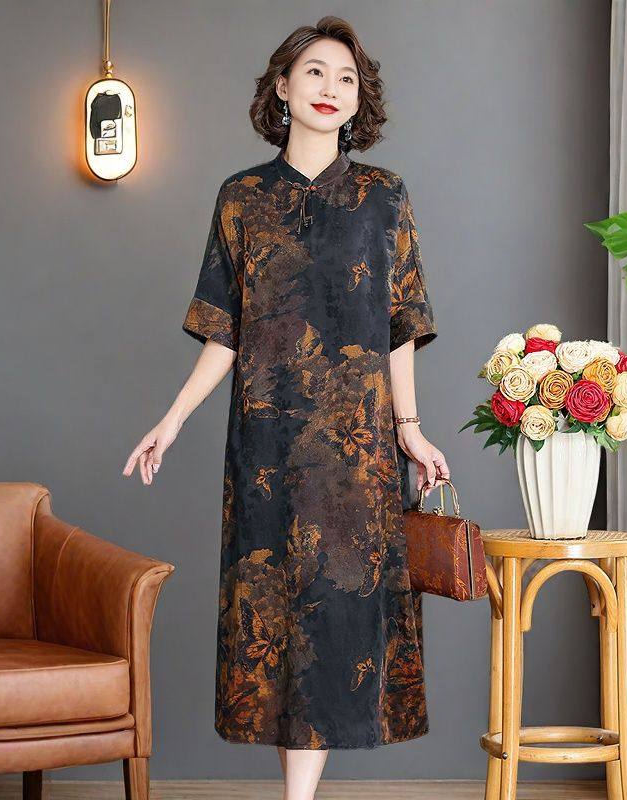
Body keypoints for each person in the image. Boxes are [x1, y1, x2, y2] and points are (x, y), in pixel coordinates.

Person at [122, 15, 449, 800]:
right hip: (265, 446)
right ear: (282, 87)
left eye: (346, 78)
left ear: (359, 98)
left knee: (335, 626)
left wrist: (409, 430)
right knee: (274, 621)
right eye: (314, 73)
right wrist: (172, 419)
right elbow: (225, 331)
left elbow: (400, 327)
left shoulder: (383, 197)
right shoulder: (241, 198)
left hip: (356, 453)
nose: (331, 89)